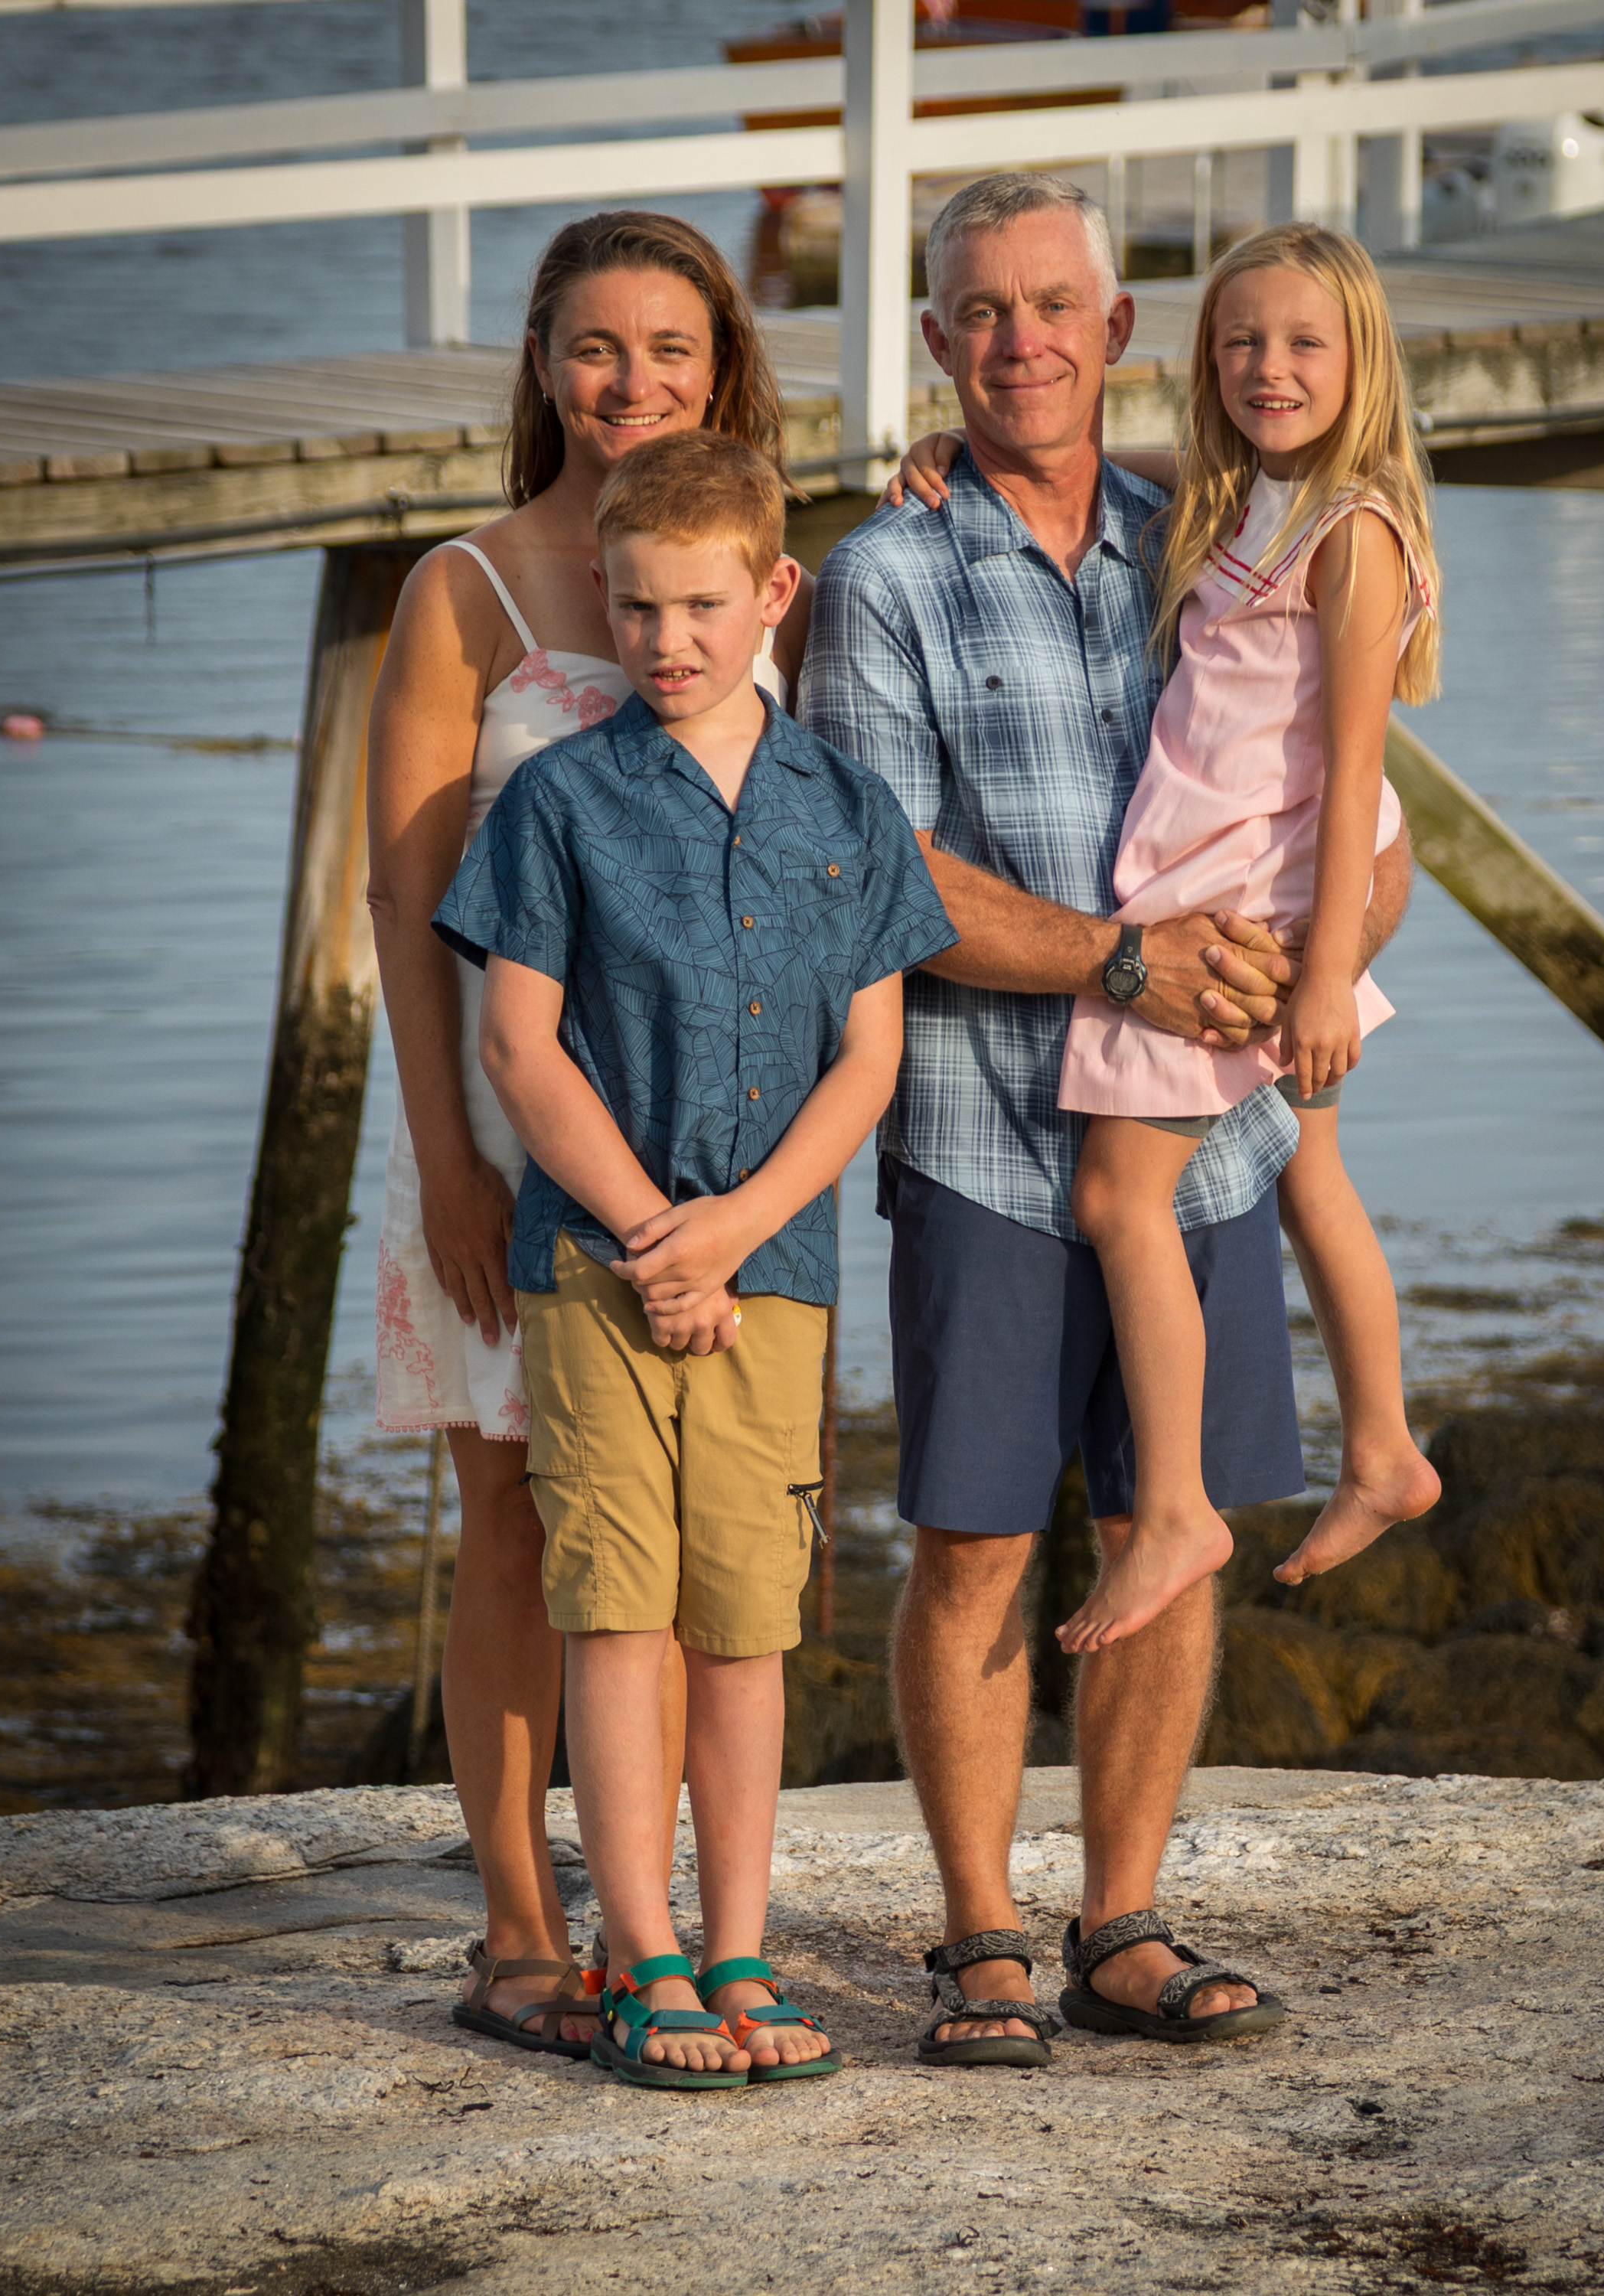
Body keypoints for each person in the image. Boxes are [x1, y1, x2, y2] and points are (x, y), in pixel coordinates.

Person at [801, 174, 1411, 2063]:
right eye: (982, 315)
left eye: (1056, 306)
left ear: (1119, 332)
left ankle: (1121, 1920)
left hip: (1199, 1124)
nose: (1023, 343)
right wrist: (1128, 961)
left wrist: (1323, 958)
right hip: (985, 1121)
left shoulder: (1211, 534)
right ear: (936, 346)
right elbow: (881, 875)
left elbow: (1353, 805)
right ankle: (982, 1933)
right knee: (978, 1537)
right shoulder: (886, 576)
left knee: (1179, 1508)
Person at [434, 431, 957, 2088]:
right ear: (605, 593)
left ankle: (740, 1947)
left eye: (703, 607)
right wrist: (658, 1235)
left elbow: (867, 1067)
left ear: (774, 595)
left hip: (777, 1276)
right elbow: (521, 1050)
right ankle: (637, 1948)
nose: (669, 641)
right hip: (594, 1275)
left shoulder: (851, 809)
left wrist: (733, 1231)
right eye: (640, 608)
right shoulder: (559, 801)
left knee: (744, 1626)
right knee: (613, 1612)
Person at [364, 210, 808, 2060]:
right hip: (501, 1120)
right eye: (598, 349)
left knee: (696, 1538)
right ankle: (521, 1931)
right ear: (542, 362)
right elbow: (401, 902)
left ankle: (675, 1933)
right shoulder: (465, 589)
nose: (635, 386)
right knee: (507, 1518)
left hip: (710, 1156)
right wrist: (451, 1165)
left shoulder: (748, 563)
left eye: (674, 351)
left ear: (725, 369)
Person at [1042, 225, 1444, 1645]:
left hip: (1252, 914)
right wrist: (943, 456)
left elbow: (1349, 775)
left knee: (1115, 1201)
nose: (1269, 368)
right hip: (1235, 887)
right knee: (1306, 1176)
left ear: (1361, 363)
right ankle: (1385, 1449)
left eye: (1304, 344)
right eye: (1240, 342)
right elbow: (1131, 473)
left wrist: (1331, 970)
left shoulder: (1355, 535)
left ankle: (1174, 1511)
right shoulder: (1240, 499)